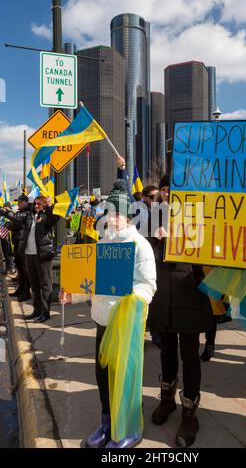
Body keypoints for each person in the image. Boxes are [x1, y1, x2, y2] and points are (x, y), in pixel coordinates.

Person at [60, 179, 157, 448]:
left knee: (124, 378)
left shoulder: (140, 245)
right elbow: (91, 283)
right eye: (109, 212)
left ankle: (128, 429)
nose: (112, 218)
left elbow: (148, 284)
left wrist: (134, 301)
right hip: (102, 322)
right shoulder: (101, 245)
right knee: (102, 376)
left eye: (118, 213)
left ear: (128, 215)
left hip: (126, 325)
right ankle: (107, 422)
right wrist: (74, 295)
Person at [147, 173, 215, 448]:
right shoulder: (150, 219)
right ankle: (167, 401)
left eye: (170, 189)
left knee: (189, 354)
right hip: (162, 295)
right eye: (163, 189)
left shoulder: (199, 217)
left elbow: (226, 239)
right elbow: (136, 249)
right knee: (166, 351)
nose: (165, 194)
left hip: (189, 293)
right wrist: (154, 238)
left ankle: (190, 413)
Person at [9, 195, 58, 322]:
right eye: (35, 203)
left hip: (43, 256)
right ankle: (36, 310)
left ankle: (45, 313)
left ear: (43, 205)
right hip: (29, 254)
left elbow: (54, 218)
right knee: (34, 286)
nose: (36, 206)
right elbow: (15, 217)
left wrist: (49, 206)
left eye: (39, 204)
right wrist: (3, 211)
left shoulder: (47, 217)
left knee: (45, 285)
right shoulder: (29, 216)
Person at [6, 195, 31, 301]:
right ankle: (21, 289)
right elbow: (9, 225)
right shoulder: (18, 213)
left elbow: (15, 225)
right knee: (20, 268)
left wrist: (11, 223)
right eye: (18, 202)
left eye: (20, 202)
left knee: (25, 270)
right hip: (17, 244)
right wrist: (11, 224)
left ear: (26, 202)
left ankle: (26, 292)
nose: (18, 203)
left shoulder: (28, 212)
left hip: (24, 245)